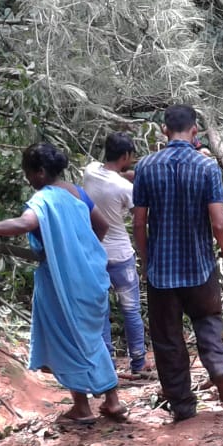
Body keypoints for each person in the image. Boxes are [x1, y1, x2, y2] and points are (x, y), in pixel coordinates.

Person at [0, 143, 126, 424]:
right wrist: (81, 250)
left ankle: (83, 407)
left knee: (67, 338)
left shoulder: (44, 199)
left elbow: (23, 224)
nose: (27, 179)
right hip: (91, 276)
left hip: (62, 281)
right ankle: (111, 401)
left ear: (39, 172)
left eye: (28, 173)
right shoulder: (77, 192)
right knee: (90, 338)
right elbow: (102, 226)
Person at [132, 105, 223, 422]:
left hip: (161, 272)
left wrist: (145, 257)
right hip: (200, 267)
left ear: (164, 131)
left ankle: (182, 405)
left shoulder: (146, 167)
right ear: (195, 131)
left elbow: (140, 222)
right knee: (207, 321)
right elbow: (218, 222)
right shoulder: (207, 168)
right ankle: (218, 367)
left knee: (167, 339)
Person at [81, 132, 148, 376]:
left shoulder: (90, 170)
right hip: (120, 254)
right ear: (126, 156)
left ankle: (106, 364)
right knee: (130, 309)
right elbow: (138, 218)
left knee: (101, 311)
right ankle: (138, 363)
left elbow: (110, 174)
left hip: (94, 253)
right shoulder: (125, 188)